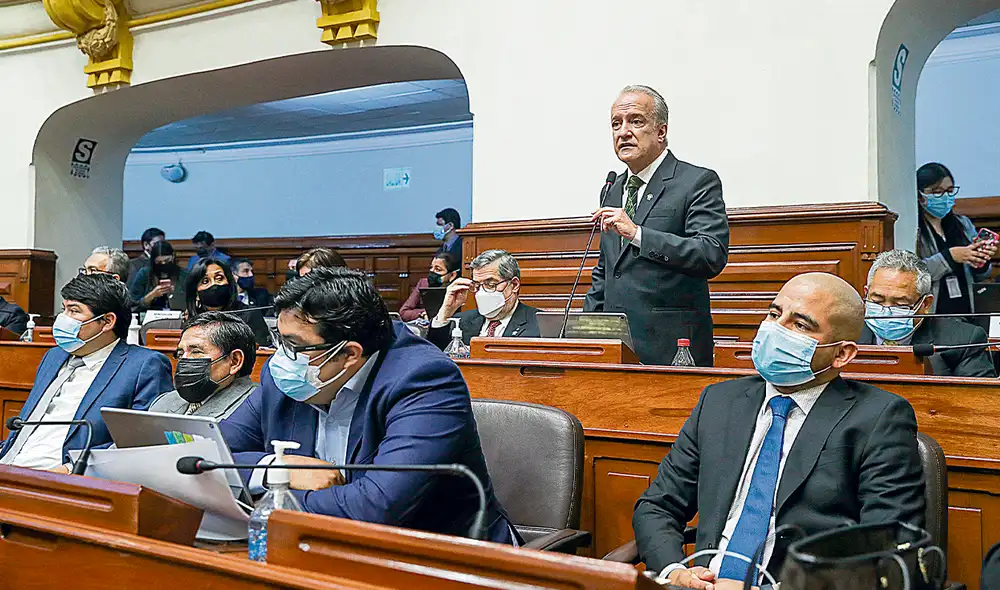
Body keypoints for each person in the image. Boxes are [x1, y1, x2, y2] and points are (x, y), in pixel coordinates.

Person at [633, 273, 924, 588]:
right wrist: (675, 571)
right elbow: (658, 505)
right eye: (774, 314)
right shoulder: (720, 402)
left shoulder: (879, 418)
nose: (775, 329)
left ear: (842, 354)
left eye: (800, 325)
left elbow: (887, 547)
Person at [219, 267, 517, 543]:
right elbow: (207, 455)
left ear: (349, 354)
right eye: (279, 340)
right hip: (320, 547)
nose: (281, 357)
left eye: (294, 345)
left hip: (445, 558)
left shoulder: (425, 380)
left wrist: (267, 501)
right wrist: (277, 470)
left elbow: (375, 508)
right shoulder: (285, 374)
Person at [585, 85, 729, 367]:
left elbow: (710, 254)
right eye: (616, 124)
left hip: (671, 349)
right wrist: (582, 331)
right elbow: (607, 269)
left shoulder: (696, 182)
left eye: (635, 121)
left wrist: (637, 234)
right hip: (614, 350)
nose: (623, 132)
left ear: (661, 131)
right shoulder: (613, 190)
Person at [0, 274, 173, 471]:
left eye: (74, 311)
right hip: (10, 466)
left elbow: (141, 443)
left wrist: (71, 468)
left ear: (107, 321)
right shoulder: (54, 356)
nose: (62, 319)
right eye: (63, 309)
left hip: (64, 477)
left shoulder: (144, 365)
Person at [861, 249, 994, 378]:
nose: (886, 310)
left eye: (900, 304)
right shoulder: (844, 334)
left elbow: (978, 397)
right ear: (866, 293)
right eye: (877, 300)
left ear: (926, 304)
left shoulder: (965, 340)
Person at [916, 163, 997, 324]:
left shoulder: (962, 224)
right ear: (920, 196)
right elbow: (915, 274)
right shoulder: (914, 228)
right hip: (934, 315)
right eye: (937, 192)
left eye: (950, 191)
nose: (945, 197)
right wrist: (950, 257)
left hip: (968, 312)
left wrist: (980, 261)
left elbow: (982, 275)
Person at [149, 312, 257, 418]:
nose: (183, 360)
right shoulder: (162, 404)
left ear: (234, 361)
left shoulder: (257, 410)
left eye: (196, 352)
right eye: (180, 354)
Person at [426, 249, 539, 350]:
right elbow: (432, 357)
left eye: (490, 284)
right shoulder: (460, 321)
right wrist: (445, 312)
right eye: (477, 285)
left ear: (514, 285)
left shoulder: (540, 325)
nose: (482, 292)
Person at [185, 258, 272, 347]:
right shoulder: (194, 319)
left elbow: (262, 352)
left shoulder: (250, 315)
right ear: (196, 294)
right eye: (205, 281)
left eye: (219, 278)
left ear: (230, 283)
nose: (214, 284)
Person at [398, 252, 460, 322]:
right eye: (431, 267)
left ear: (452, 275)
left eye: (438, 269)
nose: (432, 272)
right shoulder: (423, 283)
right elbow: (404, 312)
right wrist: (423, 314)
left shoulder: (458, 289)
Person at [130, 241, 187, 313]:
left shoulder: (184, 275)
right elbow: (132, 305)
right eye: (159, 262)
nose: (163, 264)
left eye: (167, 261)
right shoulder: (144, 274)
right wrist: (151, 295)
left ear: (173, 256)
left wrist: (175, 295)